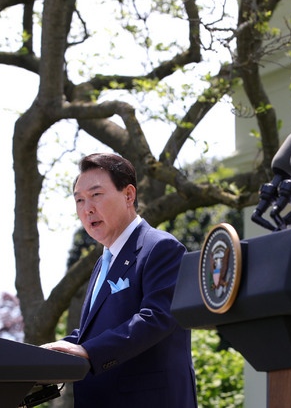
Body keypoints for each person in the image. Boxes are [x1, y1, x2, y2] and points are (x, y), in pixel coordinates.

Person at [42, 153, 197, 408]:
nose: (87, 208)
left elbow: (157, 317)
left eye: (96, 195)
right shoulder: (103, 262)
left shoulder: (161, 248)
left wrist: (90, 352)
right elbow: (96, 331)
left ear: (128, 195)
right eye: (79, 200)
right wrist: (53, 351)